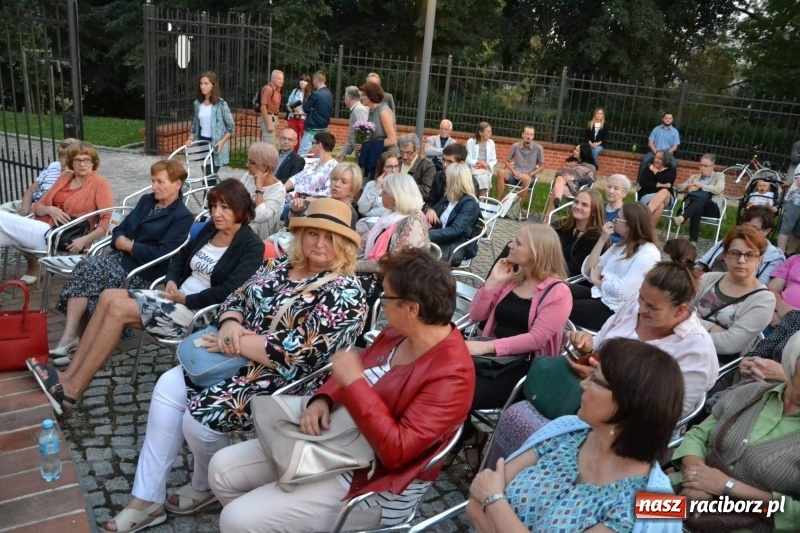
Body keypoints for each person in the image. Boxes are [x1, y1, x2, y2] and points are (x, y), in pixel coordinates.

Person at [93, 198, 366, 533]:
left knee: (198, 421)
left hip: (279, 378)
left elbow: (298, 355)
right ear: (302, 235)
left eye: (330, 238)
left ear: (345, 245)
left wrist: (233, 340)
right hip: (229, 355)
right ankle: (145, 500)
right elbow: (236, 297)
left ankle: (206, 484)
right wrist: (231, 322)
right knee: (167, 385)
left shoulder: (345, 290)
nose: (319, 244)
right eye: (313, 234)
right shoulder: (278, 266)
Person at [209, 249, 474, 532]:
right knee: (222, 468)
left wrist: (354, 385)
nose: (381, 304)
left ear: (412, 308)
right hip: (337, 438)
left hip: (372, 482)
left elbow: (397, 452)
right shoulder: (398, 334)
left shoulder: (452, 375)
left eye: (386, 297)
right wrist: (323, 399)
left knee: (237, 519)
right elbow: (355, 367)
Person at [27, 179, 265, 415]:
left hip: (200, 313)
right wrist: (172, 279)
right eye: (213, 206)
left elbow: (231, 290)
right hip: (175, 298)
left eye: (224, 207)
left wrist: (186, 300)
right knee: (108, 296)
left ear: (241, 209)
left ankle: (72, 391)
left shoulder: (251, 245)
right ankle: (67, 375)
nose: (216, 213)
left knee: (118, 310)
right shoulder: (210, 228)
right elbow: (181, 256)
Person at [486, 243, 719, 465]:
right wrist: (588, 346)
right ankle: (501, 476)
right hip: (588, 397)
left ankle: (525, 487)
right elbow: (602, 342)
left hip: (629, 427)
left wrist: (606, 381)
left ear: (680, 310)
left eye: (653, 307)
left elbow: (666, 412)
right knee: (518, 410)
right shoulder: (634, 307)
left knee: (542, 435)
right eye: (641, 298)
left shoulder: (696, 349)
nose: (642, 309)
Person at [469, 338, 684, 533]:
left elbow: (487, 491)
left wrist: (494, 499)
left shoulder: (644, 502)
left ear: (629, 403)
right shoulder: (566, 432)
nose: (583, 384)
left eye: (595, 380)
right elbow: (475, 500)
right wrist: (490, 499)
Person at [48, 159, 193, 364]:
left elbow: (163, 252)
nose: (154, 186)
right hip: (119, 259)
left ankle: (76, 341)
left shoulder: (182, 216)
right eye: (153, 181)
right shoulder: (147, 201)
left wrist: (130, 246)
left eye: (160, 182)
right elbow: (120, 230)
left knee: (87, 271)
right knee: (85, 269)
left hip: (143, 271)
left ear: (177, 184)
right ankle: (72, 337)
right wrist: (121, 241)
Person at [459, 224, 572, 471]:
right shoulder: (512, 279)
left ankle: (462, 439)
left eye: (518, 243)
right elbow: (476, 314)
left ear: (536, 252)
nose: (510, 245)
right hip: (491, 359)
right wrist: (491, 282)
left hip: (524, 369)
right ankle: (467, 437)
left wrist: (485, 348)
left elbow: (536, 339)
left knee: (456, 392)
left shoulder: (558, 292)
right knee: (440, 379)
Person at [671, 332, 800, 533]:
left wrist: (726, 486)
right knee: (625, 510)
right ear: (794, 361)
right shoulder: (750, 393)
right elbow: (697, 435)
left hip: (748, 523)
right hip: (685, 493)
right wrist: (697, 477)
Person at [0, 141, 113, 283]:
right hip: (43, 229)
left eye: (86, 160)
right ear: (71, 162)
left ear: (93, 162)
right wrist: (49, 209)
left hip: (60, 237)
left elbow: (107, 220)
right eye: (78, 160)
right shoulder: (65, 177)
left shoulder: (99, 184)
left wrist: (85, 239)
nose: (82, 164)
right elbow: (38, 206)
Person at [570, 201, 661, 330]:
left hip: (616, 310)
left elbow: (623, 290)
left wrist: (597, 281)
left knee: (562, 305)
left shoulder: (648, 253)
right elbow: (589, 269)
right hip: (599, 294)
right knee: (557, 290)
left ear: (630, 225)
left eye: (618, 218)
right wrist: (602, 239)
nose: (613, 220)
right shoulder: (621, 245)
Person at [693, 226, 776, 361]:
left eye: (750, 255)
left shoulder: (764, 299)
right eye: (735, 253)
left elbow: (728, 344)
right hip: (683, 349)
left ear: (759, 260)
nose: (741, 260)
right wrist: (712, 327)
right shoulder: (708, 279)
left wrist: (688, 325)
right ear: (725, 256)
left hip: (718, 365)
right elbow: (678, 312)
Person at [358, 173, 429, 273]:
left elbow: (392, 263)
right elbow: (364, 241)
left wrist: (353, 265)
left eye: (384, 192)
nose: (381, 194)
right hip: (377, 272)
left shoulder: (413, 222)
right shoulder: (390, 215)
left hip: (393, 280)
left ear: (396, 197)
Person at [697, 206, 784, 285]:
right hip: (709, 283)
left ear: (767, 231)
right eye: (745, 225)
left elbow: (762, 286)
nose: (747, 231)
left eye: (754, 228)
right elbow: (702, 263)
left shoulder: (773, 257)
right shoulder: (730, 241)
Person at [0, 137, 76, 215]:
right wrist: (25, 208)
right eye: (63, 157)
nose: (67, 160)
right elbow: (31, 191)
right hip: (28, 204)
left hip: (44, 210)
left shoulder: (77, 175)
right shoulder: (54, 166)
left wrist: (65, 176)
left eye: (70, 157)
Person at [427, 162, 481, 264]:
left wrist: (426, 234)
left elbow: (455, 230)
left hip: (455, 247)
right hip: (441, 241)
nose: (445, 180)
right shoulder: (450, 196)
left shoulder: (469, 203)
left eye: (446, 177)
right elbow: (435, 213)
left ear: (454, 181)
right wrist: (429, 210)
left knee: (411, 255)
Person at [185, 71, 235, 177]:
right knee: (207, 176)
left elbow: (231, 128)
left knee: (209, 177)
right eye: (201, 83)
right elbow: (195, 126)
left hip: (216, 145)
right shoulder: (197, 104)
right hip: (202, 143)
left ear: (213, 85)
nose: (202, 86)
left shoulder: (221, 104)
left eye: (206, 83)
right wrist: (190, 139)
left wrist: (221, 142)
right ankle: (212, 193)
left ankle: (209, 193)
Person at [550, 189, 607, 277]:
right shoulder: (560, 226)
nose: (577, 207)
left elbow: (575, 269)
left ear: (594, 212)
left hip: (571, 281)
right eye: (576, 202)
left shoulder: (596, 238)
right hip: (547, 271)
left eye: (584, 205)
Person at [288, 162, 361, 229]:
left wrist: (322, 206)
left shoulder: (350, 214)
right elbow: (291, 225)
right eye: (335, 179)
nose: (337, 184)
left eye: (343, 182)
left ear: (353, 188)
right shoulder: (318, 199)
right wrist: (294, 210)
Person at [283, 131, 337, 220]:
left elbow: (328, 192)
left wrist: (305, 199)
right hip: (292, 197)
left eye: (313, 143)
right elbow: (296, 178)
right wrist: (282, 189)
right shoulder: (315, 163)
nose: (312, 147)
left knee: (274, 211)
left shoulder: (333, 167)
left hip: (305, 204)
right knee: (269, 203)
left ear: (319, 145)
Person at [672, 153, 726, 244]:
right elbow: (678, 188)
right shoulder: (694, 177)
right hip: (696, 208)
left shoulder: (719, 176)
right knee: (698, 207)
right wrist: (689, 186)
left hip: (712, 210)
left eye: (706, 166)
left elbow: (718, 189)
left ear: (713, 167)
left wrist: (702, 186)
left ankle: (682, 218)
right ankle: (693, 242)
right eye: (701, 165)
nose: (702, 168)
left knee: (702, 199)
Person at [424, 143, 480, 225]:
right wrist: (429, 209)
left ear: (461, 163)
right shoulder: (439, 176)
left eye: (449, 162)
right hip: (436, 221)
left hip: (455, 225)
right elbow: (430, 201)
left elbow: (467, 214)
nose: (444, 164)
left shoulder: (470, 183)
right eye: (443, 160)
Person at [240, 142, 284, 238]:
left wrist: (259, 187)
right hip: (238, 223)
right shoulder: (248, 177)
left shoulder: (278, 190)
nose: (247, 165)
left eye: (251, 162)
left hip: (255, 235)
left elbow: (260, 217)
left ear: (264, 167)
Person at [544, 143, 597, 218]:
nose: (574, 151)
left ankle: (547, 217)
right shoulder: (572, 162)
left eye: (577, 150)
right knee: (559, 179)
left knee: (555, 190)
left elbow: (590, 180)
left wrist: (573, 178)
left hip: (577, 189)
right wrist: (563, 173)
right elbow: (557, 174)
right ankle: (557, 202)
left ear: (583, 153)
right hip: (564, 185)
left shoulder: (591, 167)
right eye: (575, 149)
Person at [358, 81, 397, 181]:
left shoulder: (383, 112)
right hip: (377, 154)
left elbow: (392, 139)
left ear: (371, 96)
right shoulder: (372, 111)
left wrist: (370, 145)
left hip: (385, 157)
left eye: (363, 95)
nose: (361, 97)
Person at [495, 125, 544, 205]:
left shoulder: (538, 148)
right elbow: (506, 161)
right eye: (527, 134)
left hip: (529, 177)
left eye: (531, 134)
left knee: (526, 178)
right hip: (515, 176)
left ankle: (517, 207)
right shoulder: (515, 146)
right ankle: (499, 202)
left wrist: (529, 174)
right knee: (501, 172)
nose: (529, 137)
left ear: (533, 136)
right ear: (522, 135)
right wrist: (514, 172)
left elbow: (542, 166)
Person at [355, 152, 396, 234]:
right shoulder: (371, 184)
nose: (394, 170)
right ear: (382, 168)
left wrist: (370, 213)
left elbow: (393, 209)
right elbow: (361, 209)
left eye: (396, 166)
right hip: (370, 223)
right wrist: (376, 187)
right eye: (389, 167)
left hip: (390, 223)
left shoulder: (400, 186)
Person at [637, 149, 677, 225]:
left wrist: (656, 172)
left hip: (667, 199)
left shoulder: (671, 170)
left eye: (660, 158)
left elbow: (666, 181)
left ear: (666, 159)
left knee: (665, 191)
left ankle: (644, 215)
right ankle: (648, 232)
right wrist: (661, 185)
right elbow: (642, 183)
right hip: (648, 195)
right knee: (660, 205)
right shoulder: (648, 169)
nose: (656, 160)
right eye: (655, 157)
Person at [298, 71, 333, 156]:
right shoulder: (329, 93)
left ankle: (299, 169)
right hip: (324, 129)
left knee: (302, 154)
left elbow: (305, 108)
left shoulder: (316, 94)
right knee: (319, 154)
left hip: (313, 129)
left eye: (313, 81)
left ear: (316, 80)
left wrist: (312, 109)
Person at [637, 111, 680, 181]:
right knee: (645, 160)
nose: (668, 120)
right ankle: (640, 182)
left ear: (672, 120)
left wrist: (665, 155)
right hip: (654, 152)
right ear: (663, 119)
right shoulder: (656, 129)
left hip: (667, 154)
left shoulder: (675, 132)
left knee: (673, 164)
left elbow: (675, 147)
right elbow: (650, 143)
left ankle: (669, 184)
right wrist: (657, 153)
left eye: (669, 118)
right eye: (666, 118)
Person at [398, 133, 436, 201]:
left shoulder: (427, 165)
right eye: (401, 152)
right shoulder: (396, 162)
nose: (404, 157)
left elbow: (426, 192)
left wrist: (401, 187)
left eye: (408, 152)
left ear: (417, 150)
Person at [768, 253, 800, 331]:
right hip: (777, 316)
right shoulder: (795, 260)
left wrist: (791, 316)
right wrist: (777, 310)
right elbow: (772, 289)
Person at [336, 85, 369, 162]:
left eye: (344, 97)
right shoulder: (355, 110)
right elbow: (352, 135)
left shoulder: (358, 110)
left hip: (364, 155)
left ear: (347, 98)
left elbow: (365, 132)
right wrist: (343, 153)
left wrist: (363, 148)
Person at [466, 121, 497, 197]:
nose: (490, 134)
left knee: (482, 177)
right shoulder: (471, 142)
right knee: (481, 178)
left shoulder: (491, 143)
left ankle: (479, 201)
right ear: (480, 132)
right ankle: (478, 201)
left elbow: (494, 160)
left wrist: (487, 165)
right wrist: (478, 162)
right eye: (488, 132)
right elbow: (467, 159)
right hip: (473, 168)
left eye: (491, 132)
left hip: (485, 169)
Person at [777, 165, 800, 254]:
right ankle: (780, 254)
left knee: (798, 232)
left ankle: (791, 254)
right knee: (786, 228)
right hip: (794, 201)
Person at [257, 70, 284, 146]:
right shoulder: (268, 89)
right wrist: (268, 123)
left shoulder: (277, 90)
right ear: (273, 79)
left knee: (271, 143)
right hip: (268, 117)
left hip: (273, 117)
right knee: (268, 145)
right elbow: (263, 107)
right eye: (279, 78)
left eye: (282, 79)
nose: (281, 81)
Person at [604, 174, 632, 244]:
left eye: (616, 188)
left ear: (624, 193)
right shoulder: (598, 206)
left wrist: (602, 236)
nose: (611, 191)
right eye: (609, 187)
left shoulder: (625, 214)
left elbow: (625, 241)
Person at [285, 73, 310, 150]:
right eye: (301, 80)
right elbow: (288, 105)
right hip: (293, 118)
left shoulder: (310, 94)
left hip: (303, 120)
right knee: (293, 140)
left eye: (305, 81)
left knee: (305, 141)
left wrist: (300, 113)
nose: (302, 82)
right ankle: (293, 158)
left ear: (308, 83)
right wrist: (292, 109)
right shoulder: (295, 91)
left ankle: (305, 159)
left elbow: (310, 110)